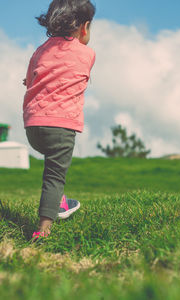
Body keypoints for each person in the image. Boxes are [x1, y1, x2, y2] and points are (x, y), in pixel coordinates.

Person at [23, 0, 96, 241]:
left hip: (33, 126)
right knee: (54, 175)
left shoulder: (40, 50)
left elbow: (29, 79)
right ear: (84, 28)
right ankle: (42, 231)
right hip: (62, 125)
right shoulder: (87, 54)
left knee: (53, 168)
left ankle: (61, 203)